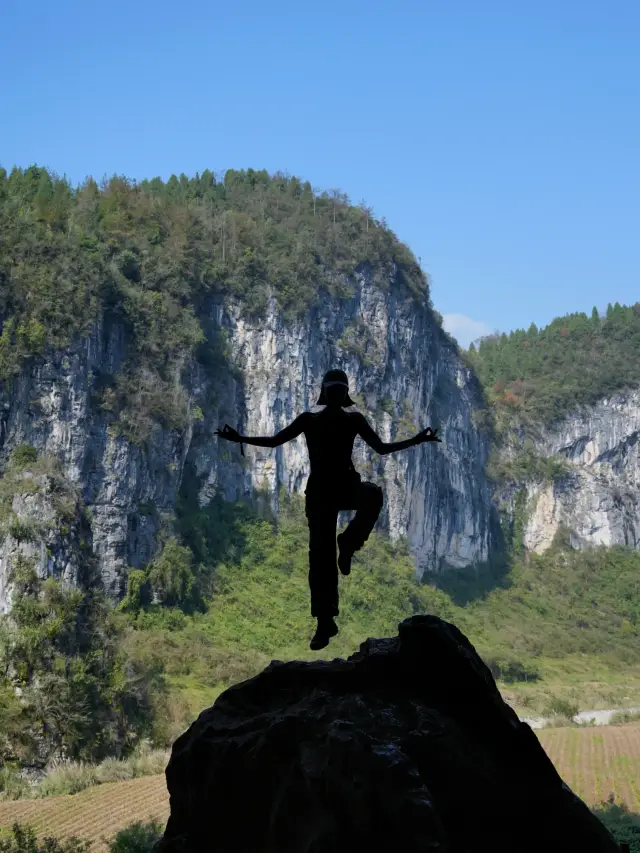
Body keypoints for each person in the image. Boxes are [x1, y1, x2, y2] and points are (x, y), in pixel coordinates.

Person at [215, 369, 442, 650]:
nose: (335, 394)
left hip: (328, 491)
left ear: (330, 394)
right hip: (328, 492)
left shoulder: (322, 420)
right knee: (326, 552)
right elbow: (380, 449)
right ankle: (325, 619)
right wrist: (240, 439)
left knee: (327, 550)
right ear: (335, 394)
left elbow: (275, 441)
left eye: (337, 389)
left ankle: (345, 550)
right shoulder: (332, 420)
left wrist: (241, 439)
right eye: (334, 389)